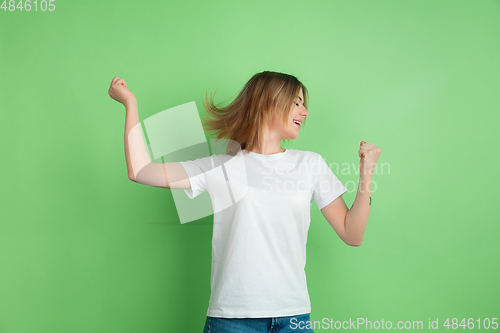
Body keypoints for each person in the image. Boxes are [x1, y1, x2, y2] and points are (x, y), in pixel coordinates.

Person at [108, 71, 381, 333]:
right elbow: (140, 171)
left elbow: (352, 234)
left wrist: (367, 173)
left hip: (293, 316)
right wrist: (130, 104)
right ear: (267, 102)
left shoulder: (310, 164)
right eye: (296, 102)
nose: (304, 111)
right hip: (233, 319)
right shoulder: (222, 166)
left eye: (304, 104)